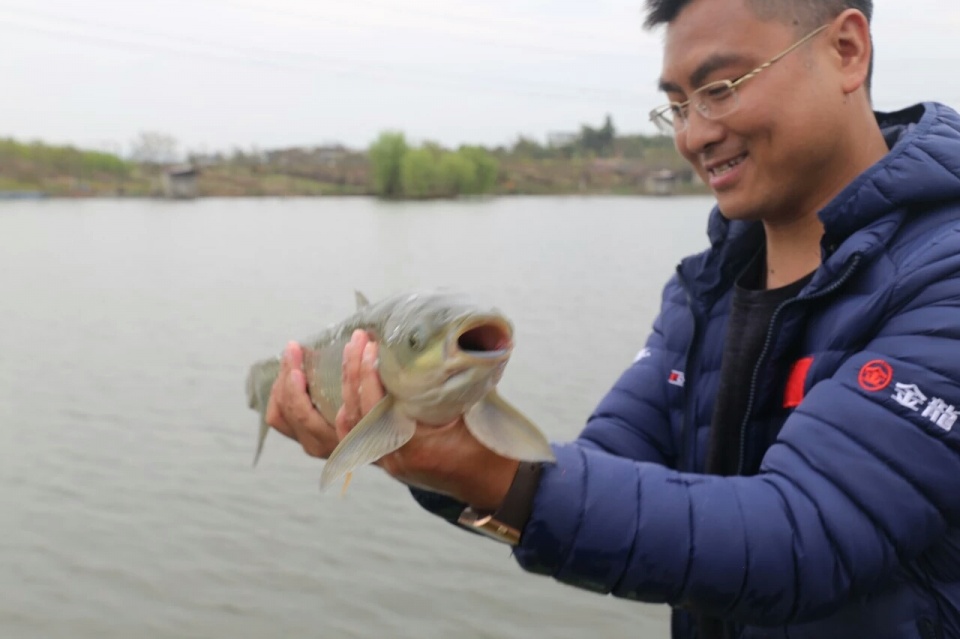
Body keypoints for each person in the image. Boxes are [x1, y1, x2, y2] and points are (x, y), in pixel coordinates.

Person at [264, 0, 960, 636]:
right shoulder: (703, 292)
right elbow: (594, 476)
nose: (694, 135)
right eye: (677, 105)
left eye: (719, 89)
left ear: (846, 50)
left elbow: (804, 537)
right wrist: (436, 457)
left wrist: (487, 472)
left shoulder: (943, 274)